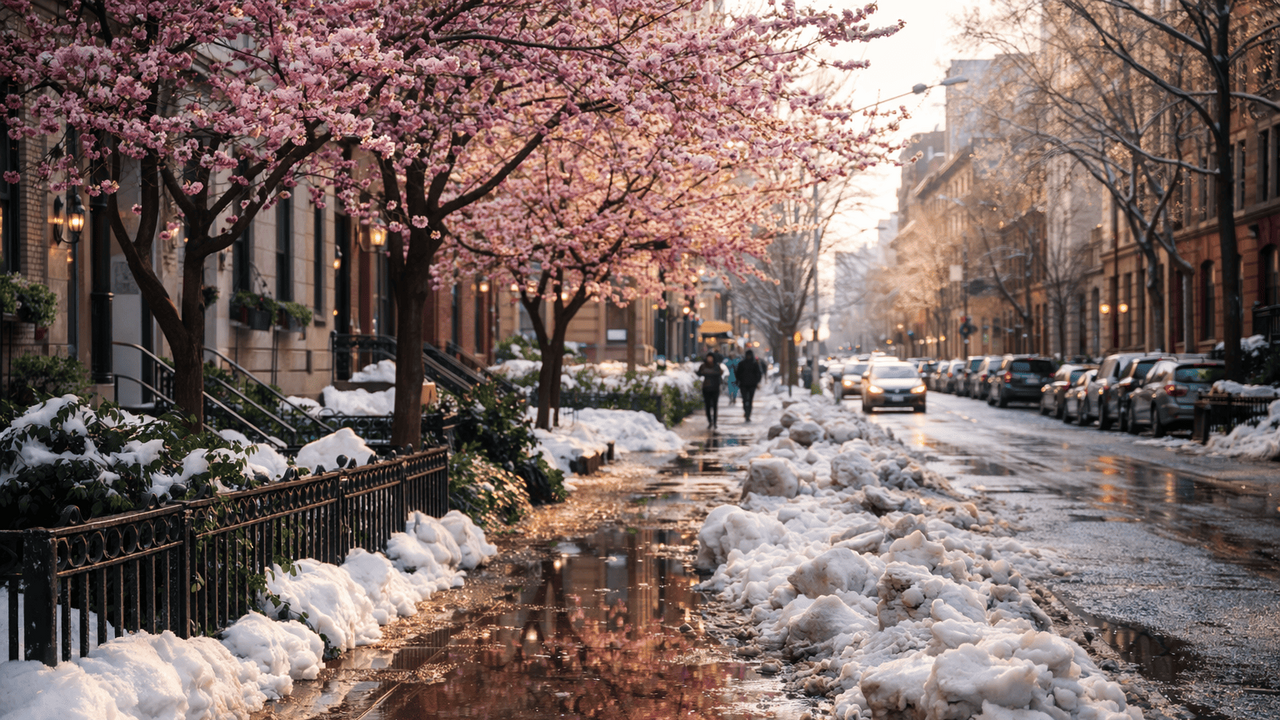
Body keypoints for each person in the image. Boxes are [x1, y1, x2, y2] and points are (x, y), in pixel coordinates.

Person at [696, 352, 723, 428]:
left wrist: (707, 373)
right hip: (706, 388)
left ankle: (714, 422)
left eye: (711, 357)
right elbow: (699, 373)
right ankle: (710, 421)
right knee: (707, 406)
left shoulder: (716, 366)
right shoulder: (703, 366)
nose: (710, 359)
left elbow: (720, 373)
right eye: (708, 357)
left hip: (715, 388)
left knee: (715, 406)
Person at [736, 348, 763, 422]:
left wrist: (756, 381)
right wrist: (739, 380)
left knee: (750, 400)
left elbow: (759, 374)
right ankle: (746, 412)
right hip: (744, 384)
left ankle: (748, 414)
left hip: (751, 385)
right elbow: (738, 373)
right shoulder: (742, 364)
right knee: (745, 400)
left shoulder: (755, 364)